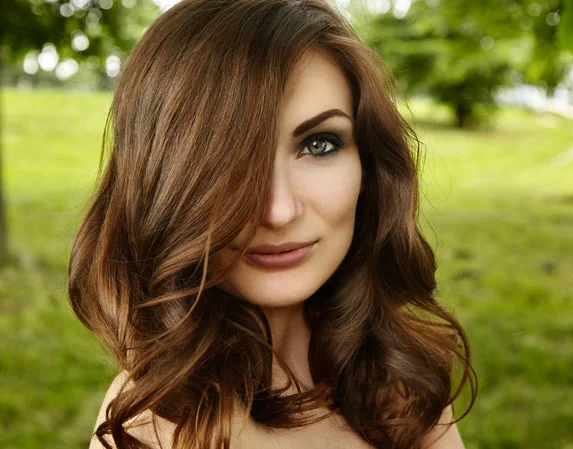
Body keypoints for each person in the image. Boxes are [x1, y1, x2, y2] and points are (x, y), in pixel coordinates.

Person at [68, 0, 477, 448]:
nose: (278, 211)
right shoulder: (157, 423)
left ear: (369, 164)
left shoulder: (401, 379)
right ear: (164, 182)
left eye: (319, 145)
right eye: (227, 158)